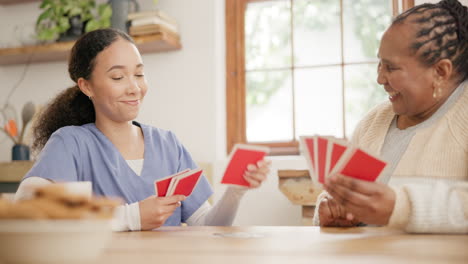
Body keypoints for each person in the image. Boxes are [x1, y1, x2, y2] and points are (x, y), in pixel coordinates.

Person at [14, 28, 271, 231]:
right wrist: (131, 217)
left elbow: (206, 227)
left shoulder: (167, 144)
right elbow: (27, 208)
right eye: (118, 77)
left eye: (139, 74)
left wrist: (235, 193)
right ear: (86, 86)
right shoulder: (71, 143)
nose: (134, 88)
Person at [314, 0, 468, 233]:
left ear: (440, 71)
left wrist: (400, 207)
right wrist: (331, 208)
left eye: (391, 68)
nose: (380, 79)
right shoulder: (373, 122)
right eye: (379, 64)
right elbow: (342, 190)